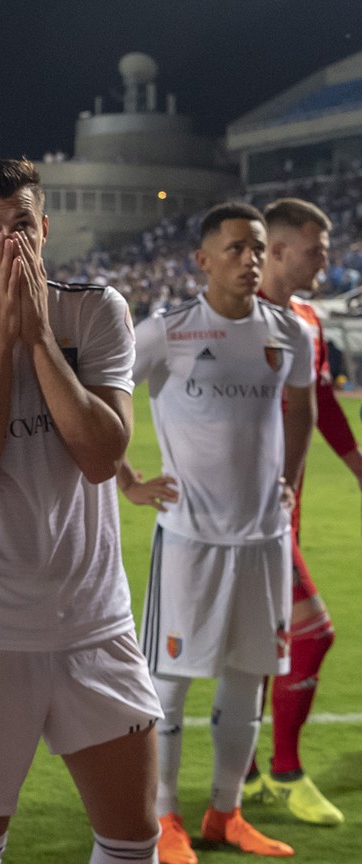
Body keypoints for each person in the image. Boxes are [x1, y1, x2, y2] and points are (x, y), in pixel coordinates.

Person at [0, 159, 161, 864]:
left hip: (96, 624)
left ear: (45, 228)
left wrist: (38, 337)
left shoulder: (96, 309)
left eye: (21, 225)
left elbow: (103, 455)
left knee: (134, 841)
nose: (10, 244)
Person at [120, 201, 314, 864]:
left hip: (262, 540)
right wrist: (126, 478)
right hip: (189, 539)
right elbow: (103, 393)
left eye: (257, 247)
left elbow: (302, 409)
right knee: (170, 681)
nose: (250, 258)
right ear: (202, 260)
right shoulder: (166, 332)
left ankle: (224, 814)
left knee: (246, 680)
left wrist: (290, 479)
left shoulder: (289, 331)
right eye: (234, 248)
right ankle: (163, 817)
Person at [243, 198, 355, 825]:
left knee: (268, 646)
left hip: (291, 507)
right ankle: (284, 771)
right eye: (315, 249)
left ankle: (248, 773)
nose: (325, 260)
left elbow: (321, 405)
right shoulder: (235, 319)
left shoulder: (307, 321)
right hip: (247, 516)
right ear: (278, 250)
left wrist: (358, 464)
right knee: (313, 637)